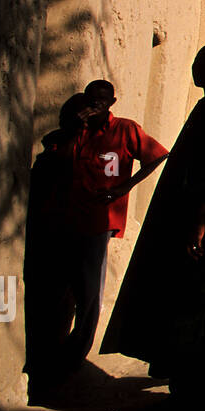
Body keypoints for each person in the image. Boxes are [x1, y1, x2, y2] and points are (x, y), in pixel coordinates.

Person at [100, 42, 205, 411]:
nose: (194, 69)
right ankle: (188, 383)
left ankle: (190, 394)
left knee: (196, 302)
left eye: (201, 63)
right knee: (186, 298)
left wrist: (200, 222)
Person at [65, 79, 169, 370]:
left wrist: (125, 187)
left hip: (100, 219)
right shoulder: (80, 131)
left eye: (102, 98)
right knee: (70, 280)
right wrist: (76, 129)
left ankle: (79, 347)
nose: (96, 103)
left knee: (89, 286)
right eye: (91, 98)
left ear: (112, 101)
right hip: (72, 214)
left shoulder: (125, 129)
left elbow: (157, 155)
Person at [23, 92, 88, 399]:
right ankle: (43, 378)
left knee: (59, 308)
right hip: (50, 240)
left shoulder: (75, 149)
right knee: (48, 310)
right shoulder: (56, 149)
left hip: (65, 239)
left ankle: (48, 375)